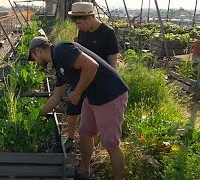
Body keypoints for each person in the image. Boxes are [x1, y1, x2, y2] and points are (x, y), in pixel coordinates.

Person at [28, 36, 129, 180]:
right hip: (93, 95)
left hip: (110, 95)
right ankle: (83, 170)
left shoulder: (62, 49)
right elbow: (56, 98)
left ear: (37, 51)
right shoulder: (58, 63)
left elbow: (91, 66)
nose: (36, 63)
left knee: (111, 143)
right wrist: (37, 116)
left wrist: (77, 91)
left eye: (34, 59)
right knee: (85, 132)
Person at [63, 1, 121, 151]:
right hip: (82, 78)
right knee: (72, 107)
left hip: (99, 84)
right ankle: (70, 138)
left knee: (94, 120)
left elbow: (112, 65)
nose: (79, 27)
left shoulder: (108, 34)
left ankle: (93, 145)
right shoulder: (83, 31)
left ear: (90, 18)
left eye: (80, 23)